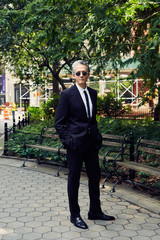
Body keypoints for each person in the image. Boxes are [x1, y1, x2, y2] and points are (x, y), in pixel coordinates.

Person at [54, 60, 115, 229]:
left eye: (84, 73)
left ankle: (95, 211)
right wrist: (69, 141)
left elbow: (91, 119)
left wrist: (97, 136)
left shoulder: (93, 93)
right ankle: (75, 215)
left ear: (88, 75)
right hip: (75, 145)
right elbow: (59, 123)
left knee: (94, 178)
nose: (82, 76)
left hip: (90, 144)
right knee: (73, 180)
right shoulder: (67, 95)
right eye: (78, 73)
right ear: (73, 76)